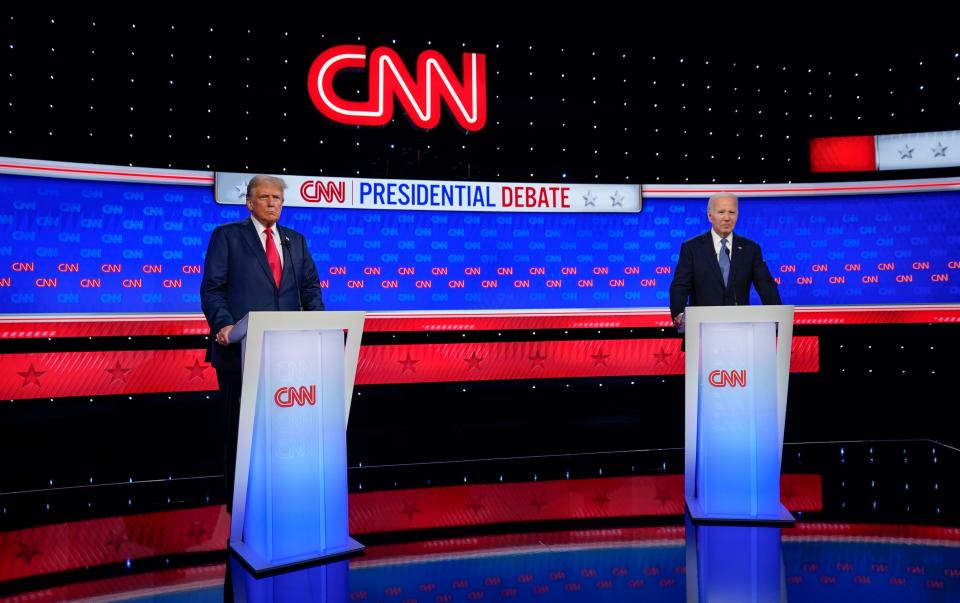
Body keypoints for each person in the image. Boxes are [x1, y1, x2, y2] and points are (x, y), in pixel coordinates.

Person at [200, 174, 324, 512]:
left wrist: (316, 324)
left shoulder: (295, 241)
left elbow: (310, 288)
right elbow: (212, 288)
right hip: (240, 351)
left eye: (278, 199)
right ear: (250, 202)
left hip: (288, 355)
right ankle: (239, 505)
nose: (272, 203)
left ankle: (281, 497)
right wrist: (224, 324)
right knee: (240, 429)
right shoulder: (227, 236)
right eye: (265, 197)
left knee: (283, 428)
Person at [669, 192, 781, 331]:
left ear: (737, 215)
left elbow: (766, 285)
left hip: (741, 330)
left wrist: (778, 315)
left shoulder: (750, 248)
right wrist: (679, 313)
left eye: (732, 212)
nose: (727, 218)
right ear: (710, 215)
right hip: (702, 329)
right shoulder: (692, 247)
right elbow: (680, 285)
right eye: (721, 212)